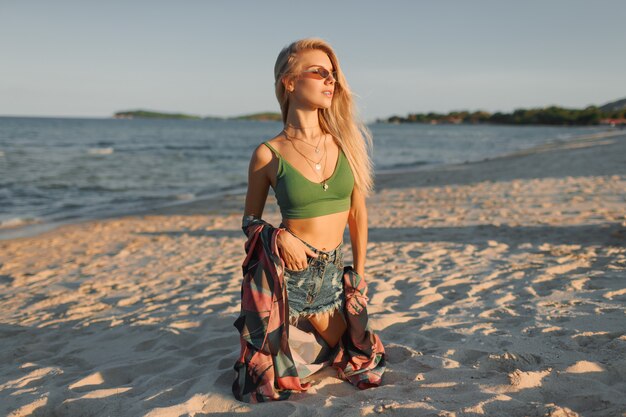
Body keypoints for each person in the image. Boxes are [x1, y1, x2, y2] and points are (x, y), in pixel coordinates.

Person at [234, 38, 384, 403]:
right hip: (289, 283)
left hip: (333, 278)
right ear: (289, 82)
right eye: (318, 72)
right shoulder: (268, 154)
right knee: (270, 381)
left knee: (365, 357)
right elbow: (250, 220)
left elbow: (357, 213)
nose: (330, 81)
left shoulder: (345, 142)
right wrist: (279, 237)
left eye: (333, 75)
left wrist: (359, 274)